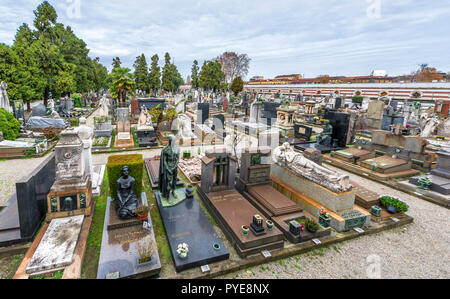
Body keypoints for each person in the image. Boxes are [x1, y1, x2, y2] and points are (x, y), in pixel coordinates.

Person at [158, 136, 180, 200]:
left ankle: (173, 190)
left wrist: (175, 166)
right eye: (173, 141)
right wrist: (168, 168)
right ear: (170, 141)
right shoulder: (165, 149)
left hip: (174, 166)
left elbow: (177, 158)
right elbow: (164, 160)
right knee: (168, 181)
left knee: (175, 179)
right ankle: (167, 194)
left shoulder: (177, 148)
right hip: (168, 167)